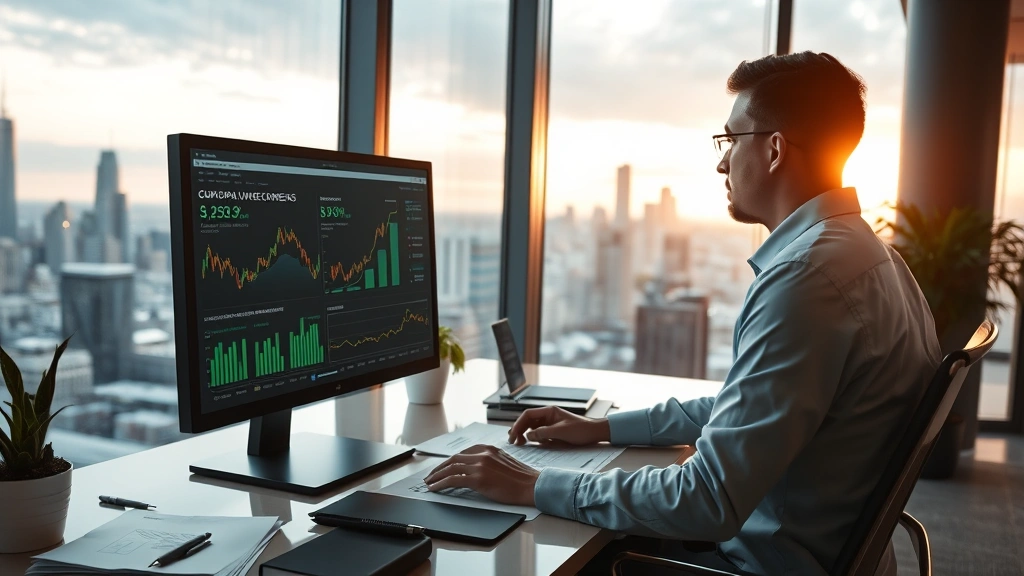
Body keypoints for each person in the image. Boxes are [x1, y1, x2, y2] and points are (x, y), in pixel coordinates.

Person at [424, 51, 941, 575]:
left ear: (775, 149)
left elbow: (707, 500)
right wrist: (601, 429)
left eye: (730, 140)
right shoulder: (875, 259)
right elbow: (747, 405)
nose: (721, 162)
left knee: (515, 557)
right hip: (830, 556)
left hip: (754, 565)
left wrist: (532, 483)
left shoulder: (806, 280)